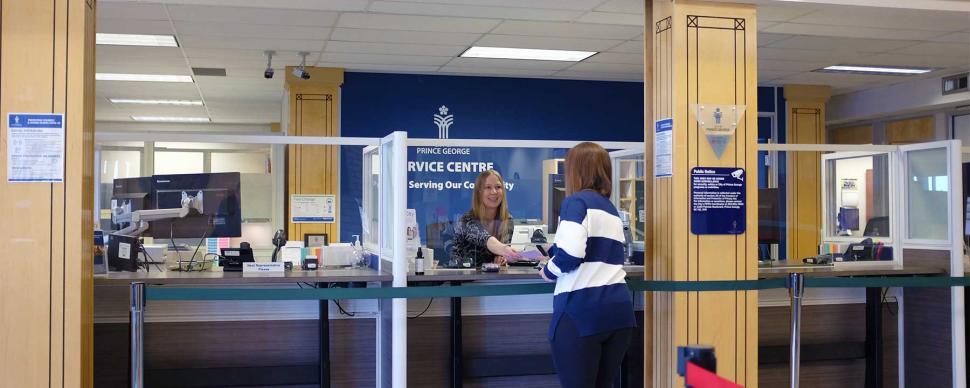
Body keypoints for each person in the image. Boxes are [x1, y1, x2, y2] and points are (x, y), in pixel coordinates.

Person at [540, 142, 636, 388]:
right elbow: (598, 247)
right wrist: (554, 252)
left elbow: (571, 255)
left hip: (581, 313)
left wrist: (548, 270)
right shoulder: (611, 209)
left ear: (575, 170)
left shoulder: (575, 203)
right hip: (618, 313)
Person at [449, 170, 520, 267]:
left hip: (491, 279)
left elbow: (502, 251)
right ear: (479, 192)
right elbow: (486, 239)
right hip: (462, 278)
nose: (494, 192)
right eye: (488, 187)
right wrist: (506, 250)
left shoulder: (507, 219)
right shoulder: (466, 221)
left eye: (498, 187)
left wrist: (502, 258)